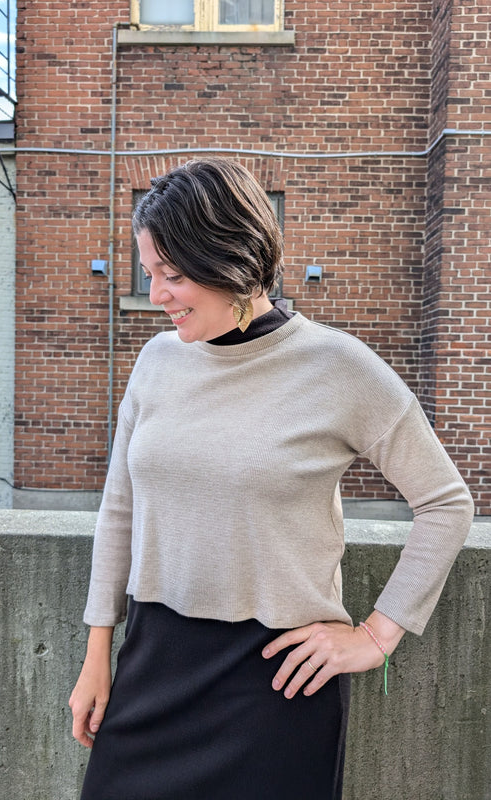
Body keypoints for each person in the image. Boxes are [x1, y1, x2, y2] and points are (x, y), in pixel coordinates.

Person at [69, 157, 474, 800]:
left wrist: (376, 635)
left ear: (231, 260)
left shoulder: (337, 368)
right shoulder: (155, 362)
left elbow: (447, 502)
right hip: (152, 661)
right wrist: (97, 655)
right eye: (148, 274)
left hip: (277, 684)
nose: (156, 295)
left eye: (173, 275)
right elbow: (120, 508)